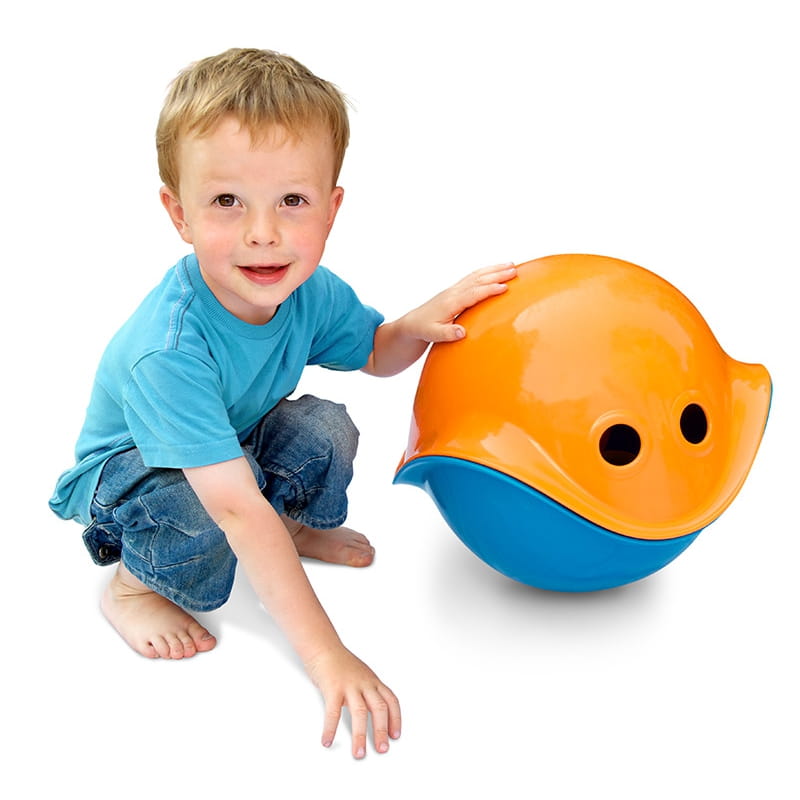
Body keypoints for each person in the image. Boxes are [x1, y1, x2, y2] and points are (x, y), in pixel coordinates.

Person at [49, 47, 516, 759]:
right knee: (199, 509)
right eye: (226, 201)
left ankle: (290, 528)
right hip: (130, 476)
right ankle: (133, 585)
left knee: (325, 427)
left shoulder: (308, 290)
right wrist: (329, 656)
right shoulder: (168, 350)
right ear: (178, 213)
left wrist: (421, 322)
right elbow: (234, 507)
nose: (262, 232)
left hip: (229, 445)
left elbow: (376, 353)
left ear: (331, 209)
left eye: (292, 201)